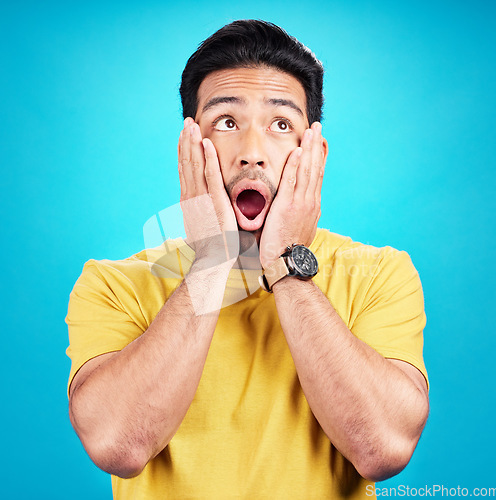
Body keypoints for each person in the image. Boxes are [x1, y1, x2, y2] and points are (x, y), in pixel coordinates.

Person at [66, 19, 429, 499]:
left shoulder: (380, 274)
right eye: (227, 123)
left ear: (314, 153)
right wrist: (213, 260)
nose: (252, 154)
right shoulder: (115, 284)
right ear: (191, 149)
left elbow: (383, 449)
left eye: (281, 124)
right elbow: (118, 446)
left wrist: (285, 264)